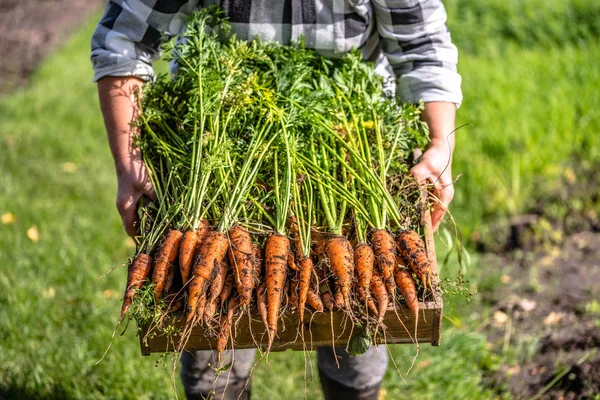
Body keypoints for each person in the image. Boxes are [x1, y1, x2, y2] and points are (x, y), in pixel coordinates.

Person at [92, 1, 461, 399]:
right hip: (216, 132)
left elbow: (424, 46)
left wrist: (440, 143)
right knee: (206, 318)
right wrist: (127, 160)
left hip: (354, 137)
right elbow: (125, 38)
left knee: (365, 314)